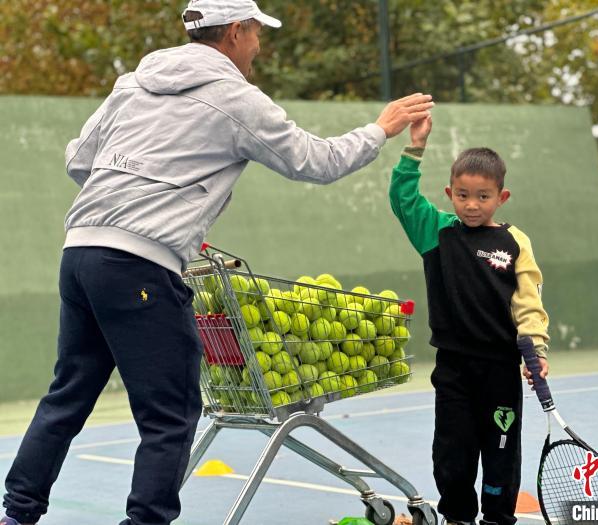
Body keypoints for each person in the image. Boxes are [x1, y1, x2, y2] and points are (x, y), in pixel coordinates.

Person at [0, 1, 434, 524]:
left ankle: (16, 513)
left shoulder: (132, 83)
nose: (258, 46)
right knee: (171, 414)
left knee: (68, 394)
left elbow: (79, 159)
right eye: (255, 34)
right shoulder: (237, 99)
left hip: (81, 253)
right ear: (234, 32)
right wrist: (381, 128)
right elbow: (316, 161)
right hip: (139, 265)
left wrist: (138, 204)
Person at [388, 114, 550, 525]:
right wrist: (415, 148)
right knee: (452, 451)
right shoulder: (437, 234)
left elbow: (528, 301)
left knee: (500, 452)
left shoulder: (514, 242)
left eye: (482, 196)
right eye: (462, 195)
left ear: (502, 197)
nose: (471, 205)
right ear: (450, 193)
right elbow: (402, 197)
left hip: (500, 369)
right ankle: (458, 517)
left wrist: (537, 350)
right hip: (453, 369)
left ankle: (497, 517)